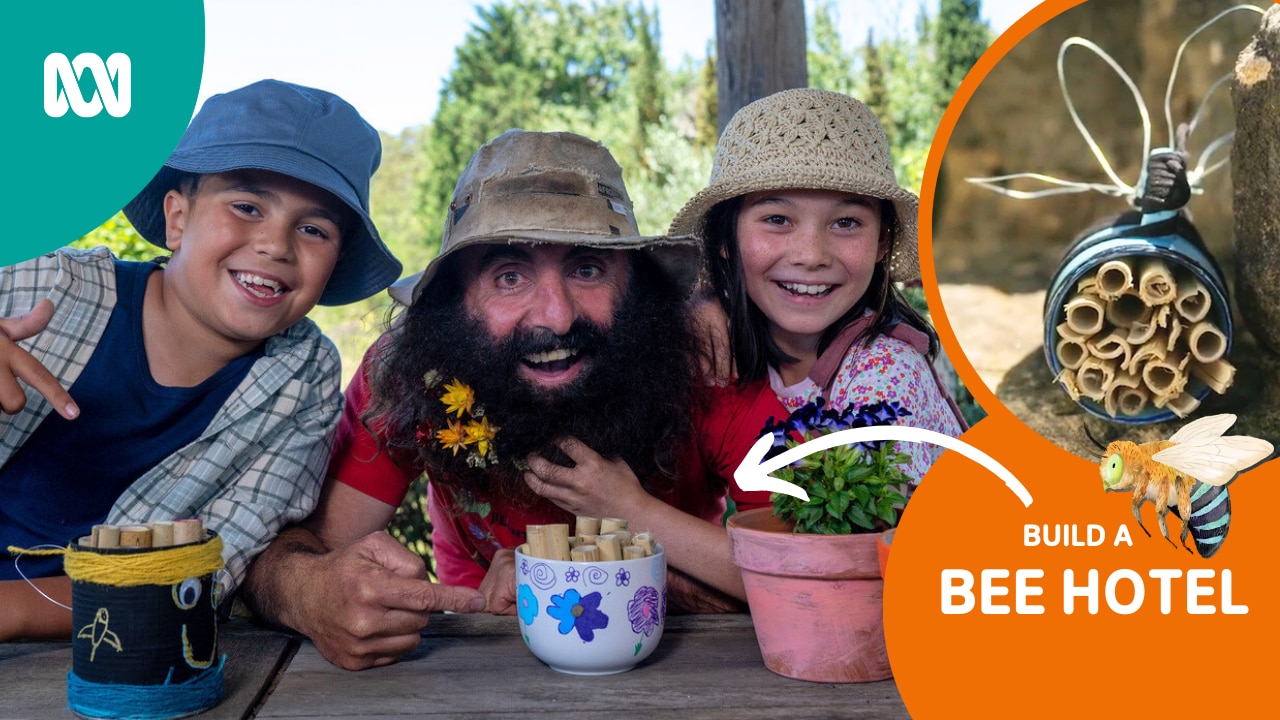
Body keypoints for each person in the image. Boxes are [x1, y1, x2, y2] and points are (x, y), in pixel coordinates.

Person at [243, 129, 764, 671]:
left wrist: (562, 568)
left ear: (636, 287)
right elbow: (298, 556)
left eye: (587, 269)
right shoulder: (407, 376)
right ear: (454, 305)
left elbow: (806, 573)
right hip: (481, 650)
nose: (556, 317)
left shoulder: (707, 363)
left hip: (688, 659)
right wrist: (315, 593)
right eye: (509, 277)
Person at [0, 79, 411, 642]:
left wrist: (10, 610)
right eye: (246, 207)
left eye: (313, 229)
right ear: (177, 218)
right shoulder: (38, 284)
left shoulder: (300, 382)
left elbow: (202, 578)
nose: (276, 245)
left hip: (104, 653)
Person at [669, 87, 967, 487]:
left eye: (846, 222)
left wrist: (628, 506)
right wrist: (701, 303)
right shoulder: (720, 331)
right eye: (777, 219)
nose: (811, 255)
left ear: (882, 241)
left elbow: (850, 528)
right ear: (725, 238)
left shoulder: (887, 373)